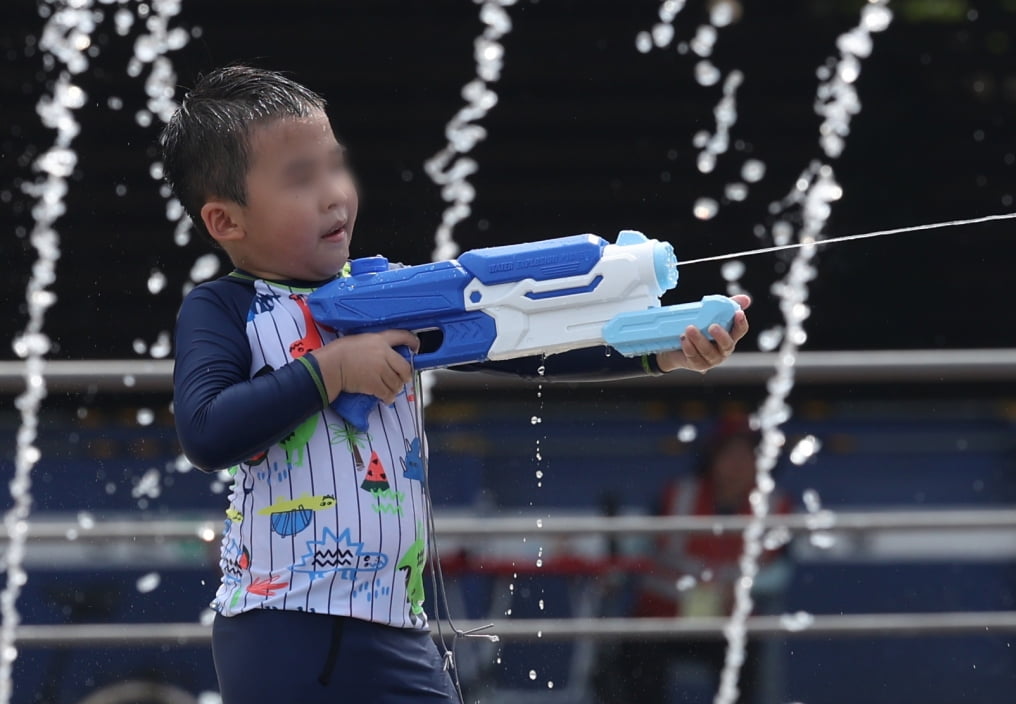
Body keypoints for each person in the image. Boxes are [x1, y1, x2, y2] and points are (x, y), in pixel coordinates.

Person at [163, 65, 751, 704]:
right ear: (225, 222)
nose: (335, 194)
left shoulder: (382, 291)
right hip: (282, 623)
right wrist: (332, 370)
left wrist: (660, 350)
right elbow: (207, 429)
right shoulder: (223, 308)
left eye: (334, 166)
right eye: (301, 179)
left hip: (398, 623)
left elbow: (520, 343)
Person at [597, 415, 791, 703]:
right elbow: (641, 551)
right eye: (729, 454)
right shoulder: (678, 494)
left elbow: (780, 572)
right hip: (663, 615)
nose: (737, 465)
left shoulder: (776, 505)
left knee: (744, 659)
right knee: (637, 655)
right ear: (713, 457)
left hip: (729, 622)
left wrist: (740, 589)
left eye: (748, 455)